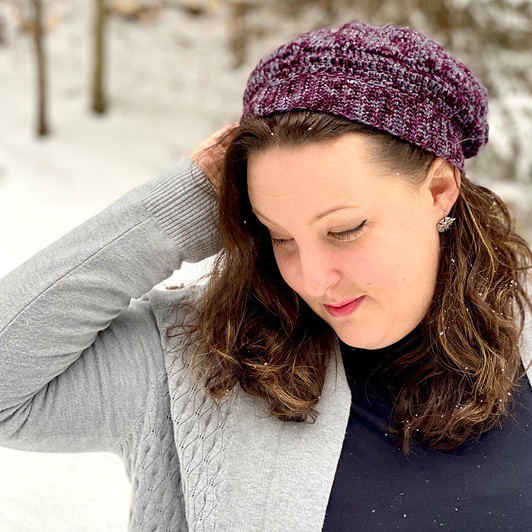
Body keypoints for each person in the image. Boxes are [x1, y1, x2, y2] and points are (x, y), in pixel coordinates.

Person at [1, 19, 531, 532]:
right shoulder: (202, 362)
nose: (314, 279)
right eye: (280, 236)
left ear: (438, 190)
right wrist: (180, 209)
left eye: (344, 229)